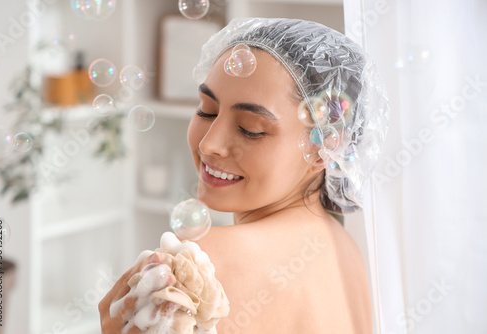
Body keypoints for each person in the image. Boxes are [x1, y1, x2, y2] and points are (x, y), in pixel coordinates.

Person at [99, 17, 389, 334]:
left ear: (325, 146)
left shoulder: (200, 264)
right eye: (206, 110)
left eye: (250, 129)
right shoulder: (345, 248)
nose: (209, 143)